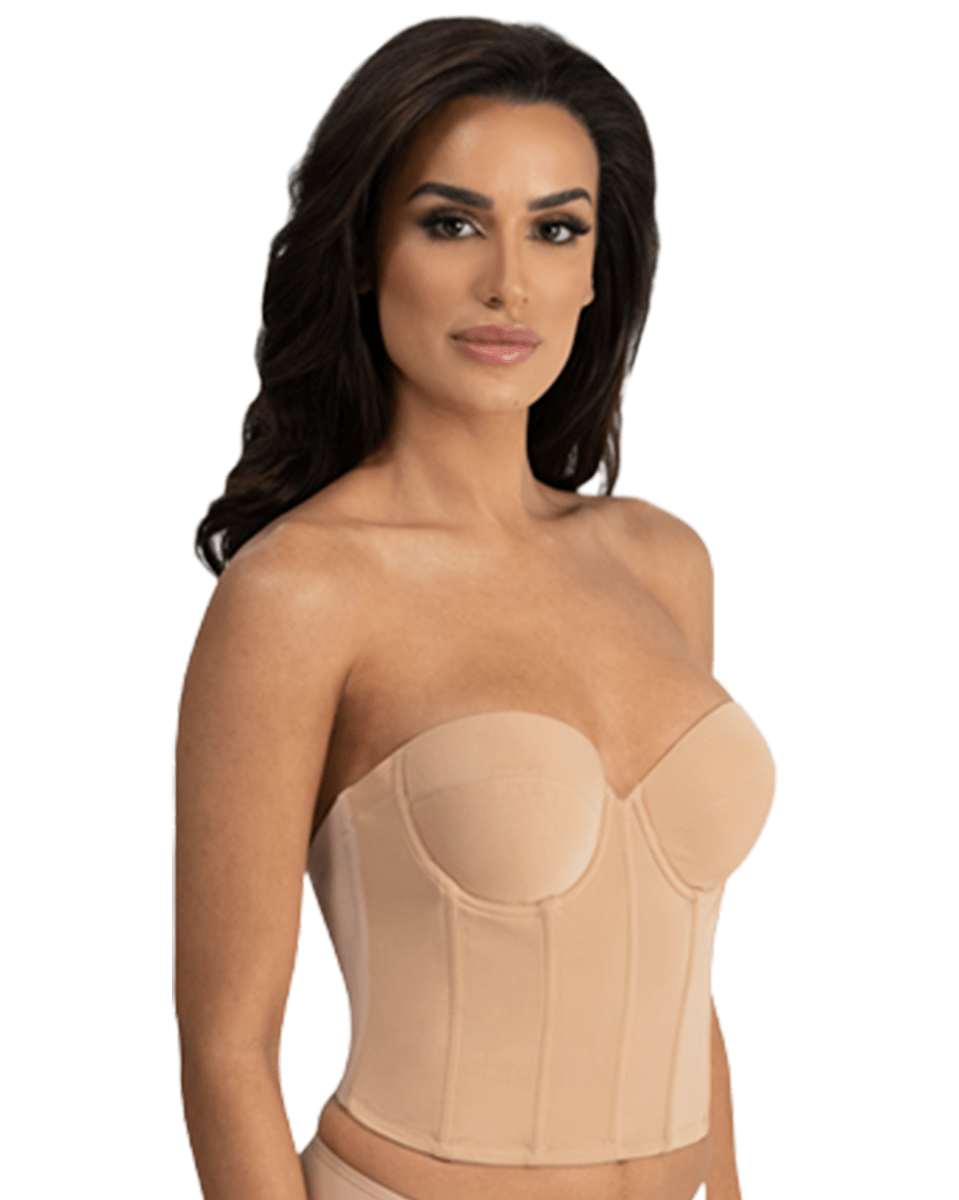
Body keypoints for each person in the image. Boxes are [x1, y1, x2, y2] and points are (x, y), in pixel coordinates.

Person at [175, 17, 775, 1200]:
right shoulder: (300, 592)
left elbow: (677, 971)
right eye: (451, 223)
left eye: (555, 229)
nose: (508, 282)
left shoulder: (661, 562)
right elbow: (226, 1049)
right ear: (363, 252)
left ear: (597, 269)